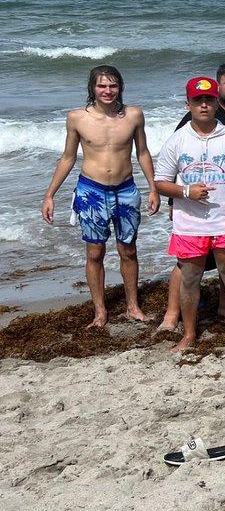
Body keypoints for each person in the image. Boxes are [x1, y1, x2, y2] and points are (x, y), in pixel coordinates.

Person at [42, 65, 159, 327]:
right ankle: (100, 311)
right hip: (91, 191)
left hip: (126, 190)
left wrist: (153, 187)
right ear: (92, 88)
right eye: (102, 86)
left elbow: (142, 153)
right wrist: (49, 195)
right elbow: (68, 157)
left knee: (128, 249)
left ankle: (133, 306)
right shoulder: (76, 118)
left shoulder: (134, 115)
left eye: (113, 85)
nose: (107, 91)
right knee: (95, 252)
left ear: (120, 87)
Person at [154, 77, 225, 353]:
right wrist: (187, 191)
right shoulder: (177, 140)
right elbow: (160, 182)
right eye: (197, 100)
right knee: (190, 278)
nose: (203, 105)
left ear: (216, 104)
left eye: (209, 100)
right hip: (189, 224)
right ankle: (188, 334)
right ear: (188, 104)